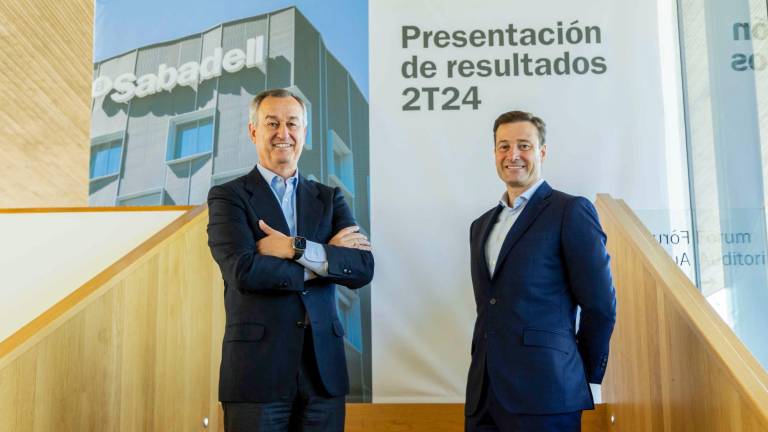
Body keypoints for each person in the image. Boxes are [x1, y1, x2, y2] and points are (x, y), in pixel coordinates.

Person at [207, 88, 374, 432]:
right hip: (257, 376)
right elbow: (244, 270)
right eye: (272, 123)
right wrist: (324, 258)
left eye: (292, 123)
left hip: (322, 375)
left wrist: (295, 248)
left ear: (304, 133)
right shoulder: (228, 197)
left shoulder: (329, 198)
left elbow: (361, 268)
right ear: (254, 131)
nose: (283, 133)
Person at [465, 111, 616, 432]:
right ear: (494, 154)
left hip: (548, 391)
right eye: (503, 146)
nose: (513, 155)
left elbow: (600, 306)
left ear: (542, 152)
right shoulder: (479, 226)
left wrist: (578, 374)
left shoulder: (570, 211)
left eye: (524, 145)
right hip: (484, 395)